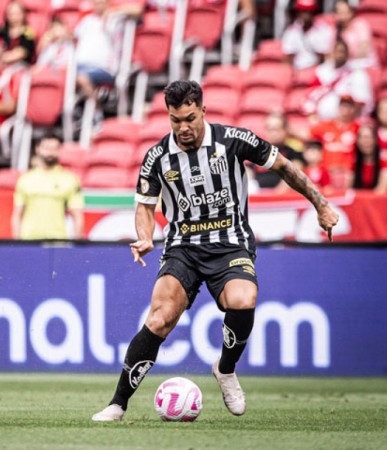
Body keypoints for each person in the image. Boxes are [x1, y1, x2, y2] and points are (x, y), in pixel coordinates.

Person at [92, 80, 339, 422]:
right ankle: (118, 404)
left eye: (189, 118)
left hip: (231, 244)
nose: (183, 127)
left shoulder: (233, 141)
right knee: (160, 318)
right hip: (183, 248)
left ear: (203, 111)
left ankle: (225, 369)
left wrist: (321, 205)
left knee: (243, 299)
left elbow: (282, 165)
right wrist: (145, 236)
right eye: (175, 120)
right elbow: (145, 206)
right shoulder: (157, 157)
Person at [11, 133, 84, 240]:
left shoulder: (70, 180)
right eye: (46, 148)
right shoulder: (25, 179)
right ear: (38, 149)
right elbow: (17, 215)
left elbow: (77, 216)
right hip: (29, 240)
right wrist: (17, 243)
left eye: (54, 148)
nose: (50, 152)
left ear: (60, 150)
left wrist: (74, 245)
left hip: (57, 241)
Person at [304, 39, 373, 121]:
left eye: (341, 52)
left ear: (347, 54)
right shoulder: (321, 72)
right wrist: (312, 114)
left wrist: (344, 121)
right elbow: (311, 95)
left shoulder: (357, 74)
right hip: (322, 122)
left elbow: (361, 104)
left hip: (346, 123)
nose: (338, 55)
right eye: (335, 51)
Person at [310, 94, 359, 190]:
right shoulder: (326, 125)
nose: (346, 109)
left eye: (349, 106)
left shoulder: (357, 127)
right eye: (343, 105)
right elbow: (308, 133)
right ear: (339, 107)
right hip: (327, 172)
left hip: (347, 174)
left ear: (353, 109)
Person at [252, 112, 305, 190]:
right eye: (269, 129)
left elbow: (293, 176)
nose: (272, 133)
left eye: (276, 129)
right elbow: (248, 172)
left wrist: (275, 195)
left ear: (285, 130)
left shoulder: (293, 153)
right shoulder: (258, 152)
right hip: (256, 193)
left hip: (278, 198)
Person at [281, 0, 334, 70]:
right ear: (297, 13)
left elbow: (324, 57)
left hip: (317, 70)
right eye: (303, 11)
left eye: (309, 12)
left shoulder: (322, 30)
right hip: (297, 70)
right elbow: (288, 58)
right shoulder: (291, 31)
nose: (306, 15)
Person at [334, 0, 377, 70]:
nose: (340, 16)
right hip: (344, 65)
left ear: (351, 12)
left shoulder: (360, 24)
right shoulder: (336, 28)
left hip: (363, 64)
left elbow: (364, 48)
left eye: (343, 12)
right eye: (338, 12)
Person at [0, 1, 36, 68]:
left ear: (24, 14)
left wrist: (1, 57)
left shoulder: (28, 32)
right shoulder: (2, 32)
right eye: (11, 14)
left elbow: (21, 53)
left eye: (17, 13)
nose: (15, 17)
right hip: (0, 64)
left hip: (20, 66)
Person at [352, 123, 387, 192]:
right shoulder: (352, 162)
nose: (365, 141)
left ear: (375, 140)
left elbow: (381, 191)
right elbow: (348, 190)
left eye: (368, 137)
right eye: (361, 138)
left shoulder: (384, 162)